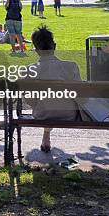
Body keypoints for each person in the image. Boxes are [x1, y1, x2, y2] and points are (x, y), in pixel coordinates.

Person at [26, 25, 82, 153]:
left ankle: (46, 136)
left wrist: (39, 105)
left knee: (46, 104)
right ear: (54, 46)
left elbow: (29, 99)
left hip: (41, 114)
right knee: (56, 102)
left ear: (36, 50)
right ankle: (46, 136)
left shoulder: (29, 70)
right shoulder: (71, 66)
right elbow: (79, 93)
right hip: (69, 114)